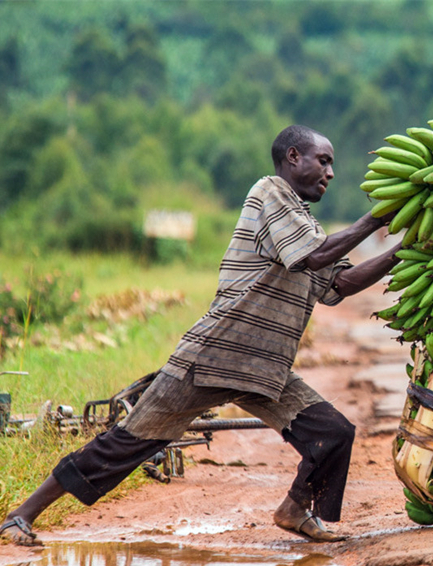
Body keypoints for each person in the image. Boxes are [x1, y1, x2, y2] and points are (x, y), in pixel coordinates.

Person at [0, 125, 402, 546]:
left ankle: (295, 508)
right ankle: (20, 516)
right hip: (213, 356)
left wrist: (401, 251)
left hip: (264, 368)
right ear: (293, 157)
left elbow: (340, 285)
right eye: (324, 160)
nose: (331, 172)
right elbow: (315, 257)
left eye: (332, 164)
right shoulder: (271, 194)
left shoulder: (304, 222)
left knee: (333, 432)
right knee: (125, 444)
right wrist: (375, 219)